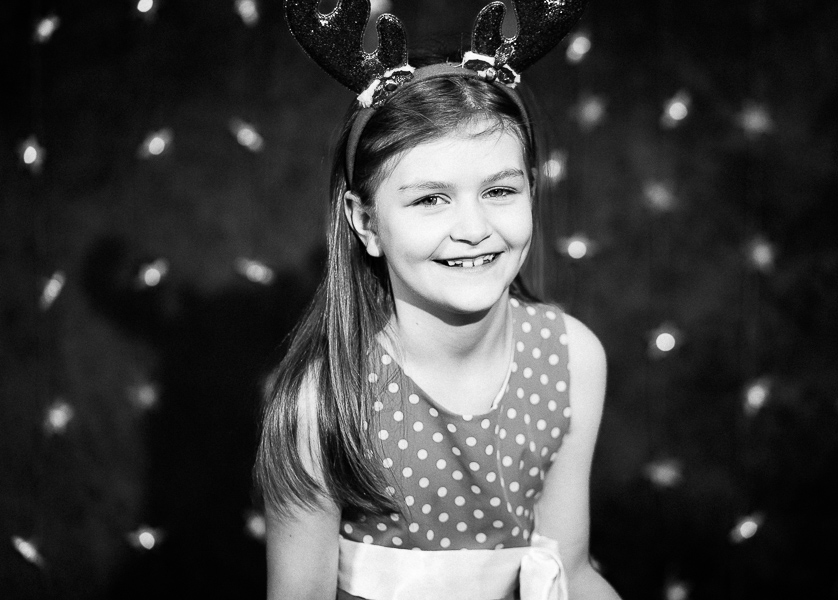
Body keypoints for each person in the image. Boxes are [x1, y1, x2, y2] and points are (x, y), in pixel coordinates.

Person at [255, 1, 622, 598]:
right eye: (430, 199)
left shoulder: (572, 360)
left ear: (532, 191)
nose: (474, 229)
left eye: (499, 191)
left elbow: (569, 571)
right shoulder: (326, 400)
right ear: (366, 223)